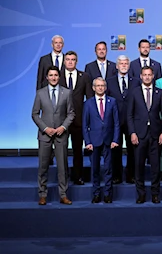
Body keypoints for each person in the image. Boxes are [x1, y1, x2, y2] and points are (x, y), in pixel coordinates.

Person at [31, 66, 75, 205]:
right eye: (51, 75)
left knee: (62, 167)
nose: (54, 77)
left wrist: (63, 127)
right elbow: (35, 114)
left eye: (56, 75)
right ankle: (42, 194)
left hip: (61, 135)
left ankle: (63, 195)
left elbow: (71, 113)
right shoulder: (40, 93)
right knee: (43, 166)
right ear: (47, 77)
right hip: (45, 136)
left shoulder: (67, 93)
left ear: (59, 76)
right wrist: (45, 128)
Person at [127, 66, 162, 204]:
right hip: (139, 135)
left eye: (149, 75)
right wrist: (132, 132)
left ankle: (155, 194)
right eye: (144, 75)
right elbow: (130, 115)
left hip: (156, 135)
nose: (147, 77)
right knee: (138, 166)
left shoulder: (159, 93)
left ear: (153, 76)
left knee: (155, 167)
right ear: (141, 76)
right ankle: (141, 194)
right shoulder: (134, 92)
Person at [82, 77, 120, 203]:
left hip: (109, 141)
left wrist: (115, 139)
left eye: (102, 85)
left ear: (105, 87)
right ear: (93, 88)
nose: (100, 87)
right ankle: (96, 194)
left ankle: (108, 194)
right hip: (94, 141)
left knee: (108, 169)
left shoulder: (112, 101)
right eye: (98, 85)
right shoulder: (88, 103)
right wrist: (87, 142)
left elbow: (116, 123)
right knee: (95, 170)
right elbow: (85, 124)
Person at [58, 51, 93, 185]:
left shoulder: (84, 76)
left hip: (79, 119)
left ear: (77, 61)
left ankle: (78, 176)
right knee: (62, 151)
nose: (70, 62)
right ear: (64, 61)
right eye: (68, 59)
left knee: (78, 150)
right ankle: (63, 177)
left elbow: (89, 98)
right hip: (61, 120)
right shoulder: (58, 76)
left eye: (73, 59)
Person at [106, 55, 141, 184]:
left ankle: (131, 175)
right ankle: (117, 175)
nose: (124, 65)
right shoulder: (109, 81)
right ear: (117, 66)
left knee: (133, 150)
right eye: (121, 63)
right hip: (114, 121)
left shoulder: (136, 81)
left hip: (132, 121)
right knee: (115, 149)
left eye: (126, 63)